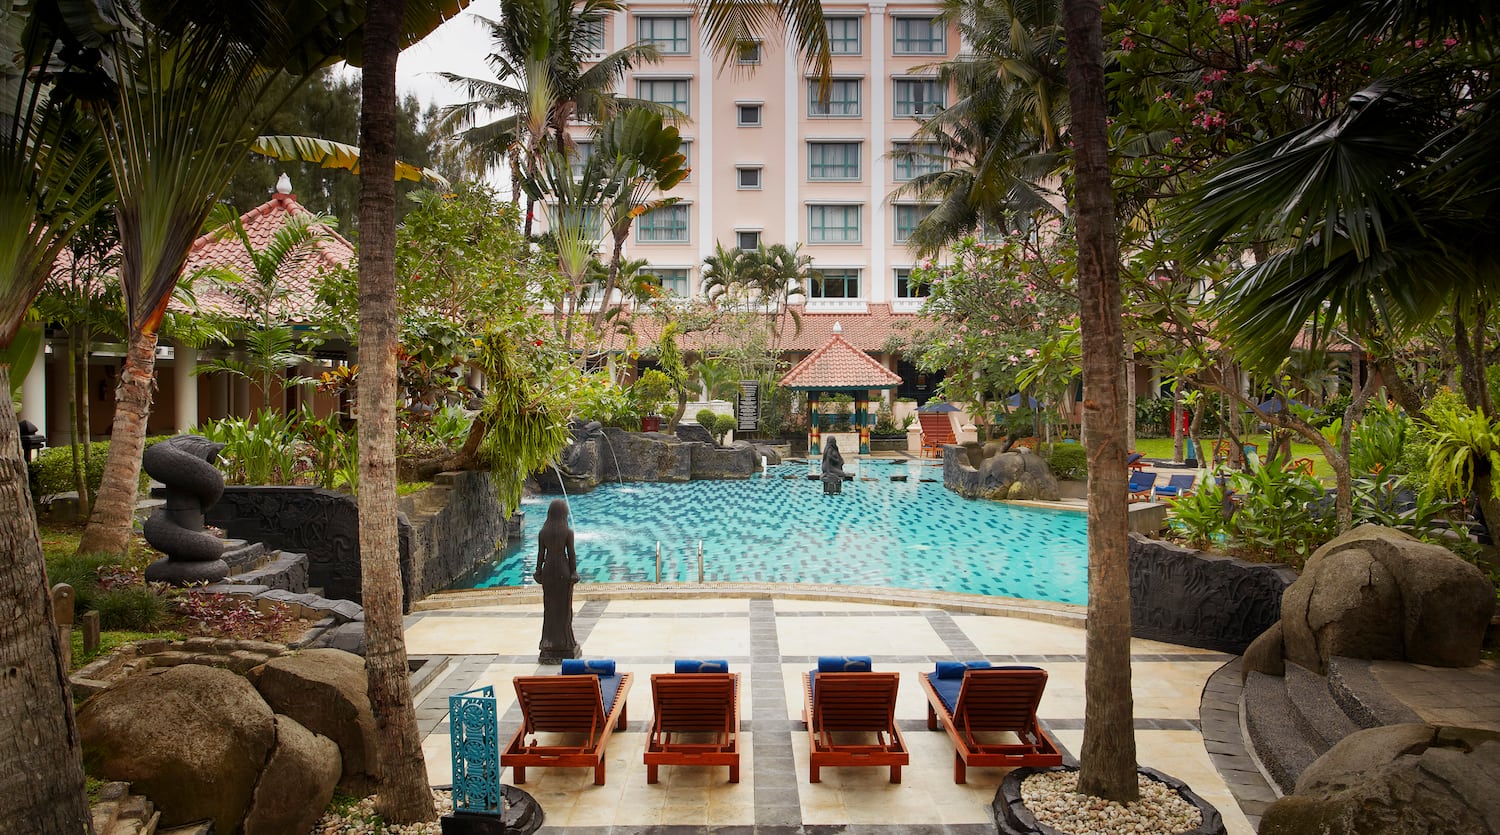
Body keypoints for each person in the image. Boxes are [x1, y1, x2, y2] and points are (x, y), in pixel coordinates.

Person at [535, 498, 581, 662]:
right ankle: (565, 642)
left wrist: (538, 571)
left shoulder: (543, 532)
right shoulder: (567, 532)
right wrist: (574, 571)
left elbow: (541, 555)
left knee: (550, 607)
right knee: (563, 608)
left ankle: (548, 642)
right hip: (563, 569)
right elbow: (571, 554)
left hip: (548, 571)